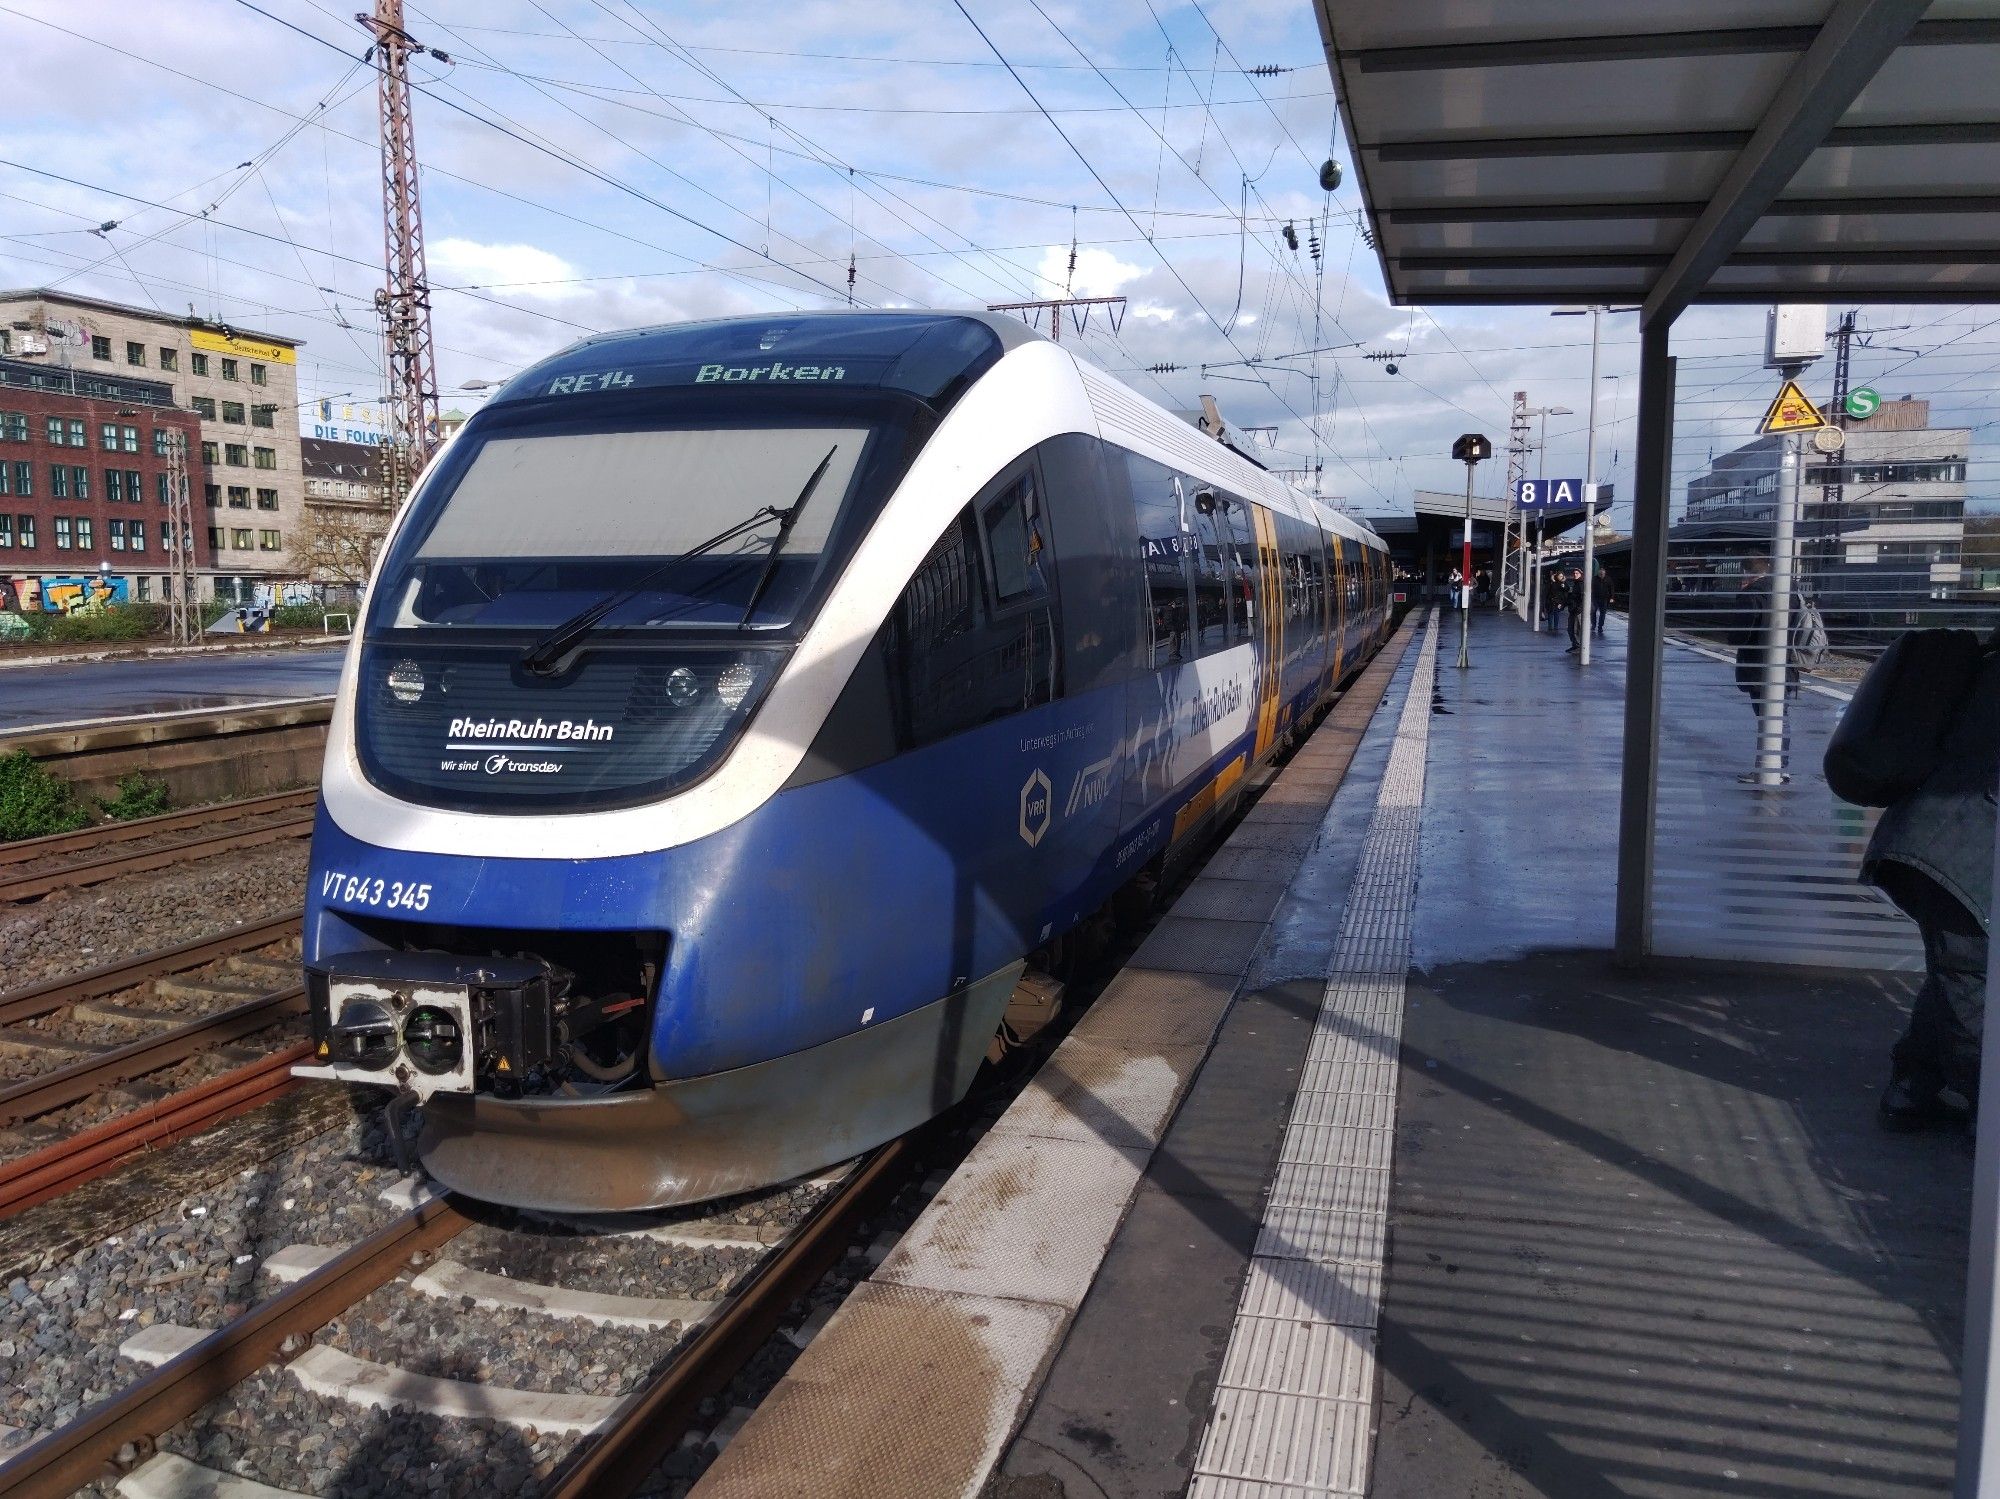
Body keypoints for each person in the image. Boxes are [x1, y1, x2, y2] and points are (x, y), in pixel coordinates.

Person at [1870, 634, 2000, 1130]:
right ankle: (1987, 1116)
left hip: (1930, 843)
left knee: (1958, 974)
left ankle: (1913, 1090)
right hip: (1956, 849)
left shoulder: (1986, 667)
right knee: (1969, 981)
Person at [1591, 562, 1610, 637]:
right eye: (1600, 574)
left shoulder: (1608, 579)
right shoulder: (1594, 579)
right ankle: (1594, 625)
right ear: (1598, 574)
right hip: (1595, 598)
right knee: (1593, 612)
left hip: (1604, 598)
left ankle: (1600, 626)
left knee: (1603, 613)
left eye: (1603, 574)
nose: (1601, 575)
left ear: (1604, 574)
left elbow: (1611, 587)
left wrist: (1611, 597)